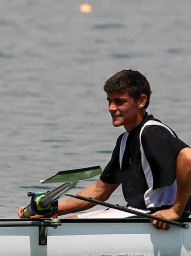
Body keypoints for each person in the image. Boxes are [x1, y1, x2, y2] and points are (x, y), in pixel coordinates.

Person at [19, 70, 191, 230]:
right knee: (68, 221)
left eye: (119, 102)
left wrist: (175, 211)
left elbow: (188, 157)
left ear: (141, 101)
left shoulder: (152, 132)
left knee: (69, 226)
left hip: (159, 217)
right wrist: (49, 210)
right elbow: (100, 191)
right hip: (139, 212)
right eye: (109, 101)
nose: (111, 108)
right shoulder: (125, 140)